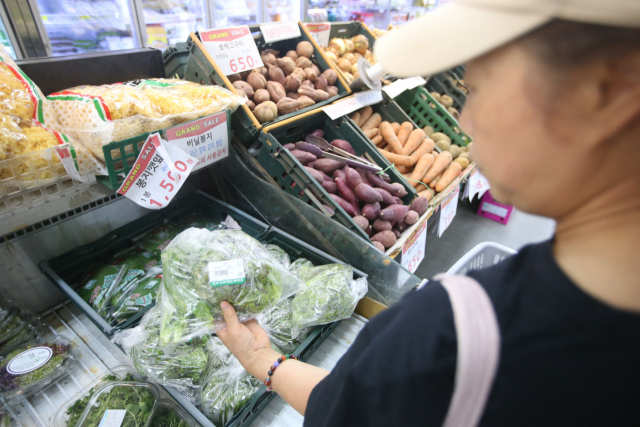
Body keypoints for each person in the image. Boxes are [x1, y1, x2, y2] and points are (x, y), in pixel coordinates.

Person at [217, 0, 640, 425]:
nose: (468, 122)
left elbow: (347, 408)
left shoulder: (450, 340)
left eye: (478, 88)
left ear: (605, 94)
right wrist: (262, 360)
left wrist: (263, 362)